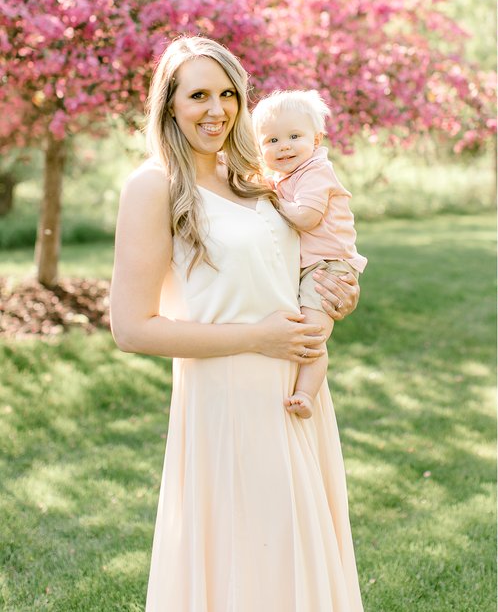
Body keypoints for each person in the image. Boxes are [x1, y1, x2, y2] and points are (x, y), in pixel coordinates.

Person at [110, 36, 366, 611]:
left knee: (297, 552)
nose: (217, 109)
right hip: (226, 399)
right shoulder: (153, 186)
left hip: (297, 393)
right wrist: (259, 337)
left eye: (228, 94)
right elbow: (130, 328)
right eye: (198, 94)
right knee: (244, 562)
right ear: (169, 104)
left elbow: (290, 263)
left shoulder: (254, 174)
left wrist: (335, 291)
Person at [252, 90, 367, 419]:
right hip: (310, 265)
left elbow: (306, 217)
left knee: (311, 335)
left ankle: (305, 393)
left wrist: (272, 199)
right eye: (272, 140)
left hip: (329, 266)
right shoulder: (284, 176)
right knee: (304, 332)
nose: (283, 145)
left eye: (293, 136)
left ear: (315, 140)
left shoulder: (315, 172)